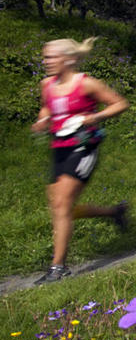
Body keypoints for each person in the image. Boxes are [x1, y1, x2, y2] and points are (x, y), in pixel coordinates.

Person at [31, 37, 130, 284]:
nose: (46, 62)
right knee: (60, 208)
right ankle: (114, 212)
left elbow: (120, 103)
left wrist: (95, 117)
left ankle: (58, 267)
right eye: (45, 57)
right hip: (59, 149)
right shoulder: (47, 85)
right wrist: (42, 120)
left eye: (51, 57)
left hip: (84, 147)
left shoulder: (87, 84)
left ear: (68, 59)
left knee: (62, 205)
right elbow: (46, 108)